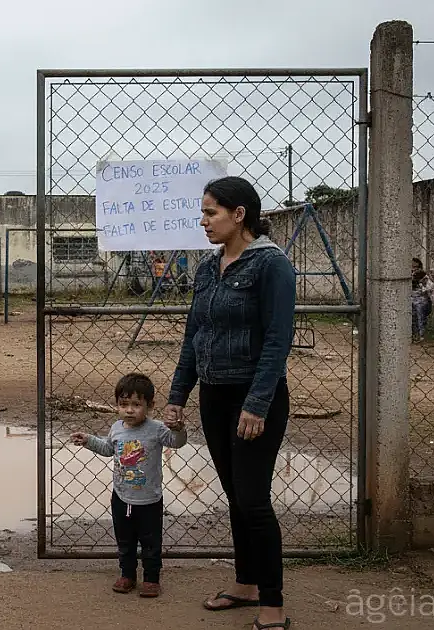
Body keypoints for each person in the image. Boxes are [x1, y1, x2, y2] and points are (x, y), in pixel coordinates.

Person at [163, 175, 296, 630]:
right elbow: (194, 335)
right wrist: (178, 396)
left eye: (210, 212)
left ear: (239, 215)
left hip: (254, 398)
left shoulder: (271, 265)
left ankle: (273, 606)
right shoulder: (207, 267)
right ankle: (246, 584)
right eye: (202, 212)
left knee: (255, 500)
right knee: (236, 497)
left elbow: (278, 340)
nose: (203, 221)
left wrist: (257, 404)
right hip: (214, 397)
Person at [70, 372, 187, 599]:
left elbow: (177, 443)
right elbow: (108, 449)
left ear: (150, 405)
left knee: (151, 542)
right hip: (121, 497)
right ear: (117, 405)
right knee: (125, 539)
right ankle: (127, 575)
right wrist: (88, 440)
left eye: (136, 404)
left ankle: (151, 579)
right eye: (124, 404)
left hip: (149, 500)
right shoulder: (117, 428)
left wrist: (178, 429)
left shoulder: (157, 429)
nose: (130, 410)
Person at [411, 258, 434, 343]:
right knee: (413, 318)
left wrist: (422, 284)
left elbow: (430, 287)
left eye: (417, 267)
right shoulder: (409, 277)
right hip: (411, 300)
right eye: (412, 267)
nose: (414, 269)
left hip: (422, 301)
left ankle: (422, 335)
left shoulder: (424, 277)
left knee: (421, 317)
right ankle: (414, 335)